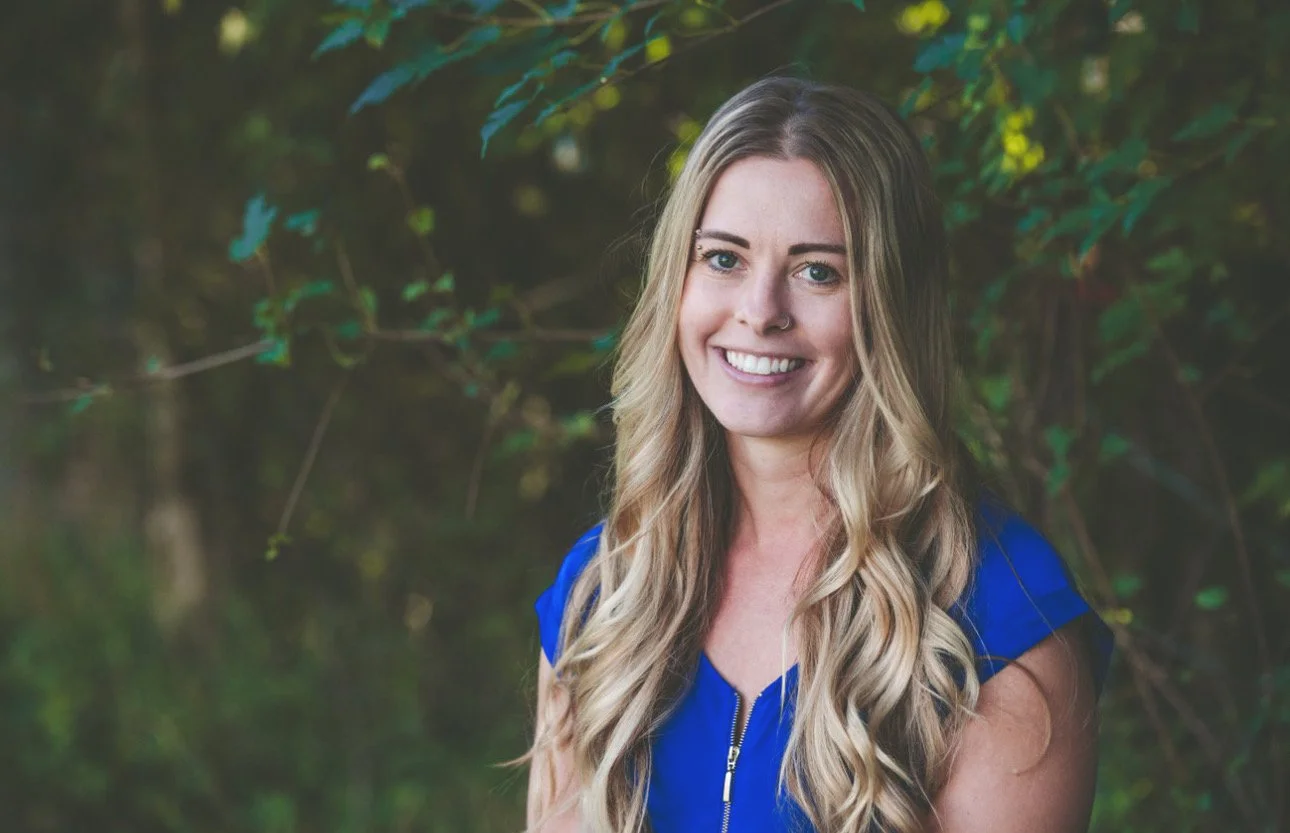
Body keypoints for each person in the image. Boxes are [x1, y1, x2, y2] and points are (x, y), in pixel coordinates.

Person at [525, 77, 1113, 833]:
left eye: (818, 271)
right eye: (725, 259)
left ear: (889, 305)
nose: (760, 311)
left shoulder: (1004, 624)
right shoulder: (601, 596)